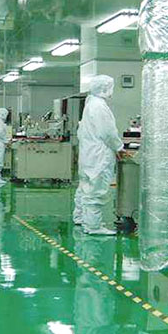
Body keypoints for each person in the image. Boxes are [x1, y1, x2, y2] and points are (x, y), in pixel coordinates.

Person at [73, 75, 125, 236]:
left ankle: (80, 217)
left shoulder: (90, 104)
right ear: (105, 88)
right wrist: (119, 147)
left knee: (85, 187)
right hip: (99, 155)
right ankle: (93, 226)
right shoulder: (99, 106)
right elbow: (108, 132)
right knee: (96, 189)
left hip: (88, 154)